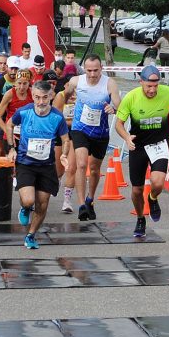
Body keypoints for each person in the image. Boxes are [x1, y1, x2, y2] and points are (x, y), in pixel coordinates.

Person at [115, 65, 169, 238]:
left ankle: (152, 198)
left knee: (158, 183)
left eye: (155, 86)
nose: (152, 90)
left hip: (159, 143)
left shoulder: (168, 92)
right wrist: (127, 138)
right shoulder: (131, 97)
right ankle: (140, 218)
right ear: (141, 82)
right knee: (136, 190)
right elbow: (118, 124)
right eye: (148, 86)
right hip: (138, 146)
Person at [6, 80, 70, 249]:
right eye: (37, 97)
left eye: (44, 98)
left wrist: (64, 154)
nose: (41, 102)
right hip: (26, 163)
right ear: (32, 96)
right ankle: (25, 208)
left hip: (47, 166)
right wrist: (11, 148)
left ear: (51, 96)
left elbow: (65, 139)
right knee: (28, 200)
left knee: (42, 203)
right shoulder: (24, 112)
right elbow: (9, 124)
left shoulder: (57, 117)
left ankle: (31, 235)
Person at [64, 54, 121, 222]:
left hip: (100, 132)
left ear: (101, 68)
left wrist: (113, 108)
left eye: (96, 70)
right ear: (84, 69)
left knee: (95, 169)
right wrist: (64, 106)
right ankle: (82, 205)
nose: (92, 74)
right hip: (80, 129)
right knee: (81, 164)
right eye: (89, 70)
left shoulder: (109, 83)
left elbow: (119, 104)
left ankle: (90, 199)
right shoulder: (76, 81)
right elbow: (64, 94)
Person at [53, 78, 77, 213]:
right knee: (59, 170)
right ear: (65, 86)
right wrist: (73, 121)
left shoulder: (81, 96)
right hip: (61, 134)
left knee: (72, 168)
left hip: (75, 134)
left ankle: (67, 201)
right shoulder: (60, 96)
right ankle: (56, 180)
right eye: (69, 86)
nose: (72, 90)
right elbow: (57, 119)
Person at [0, 69, 34, 150]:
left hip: (28, 134)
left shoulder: (33, 93)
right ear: (15, 82)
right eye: (19, 83)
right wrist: (7, 131)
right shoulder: (9, 94)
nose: (22, 87)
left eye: (25, 83)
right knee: (11, 160)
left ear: (29, 82)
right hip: (12, 133)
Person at [0, 55, 20, 156]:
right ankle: (1, 167)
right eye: (11, 68)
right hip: (2, 117)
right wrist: (5, 106)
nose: (13, 71)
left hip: (18, 118)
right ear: (7, 67)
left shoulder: (23, 83)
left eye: (16, 69)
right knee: (1, 149)